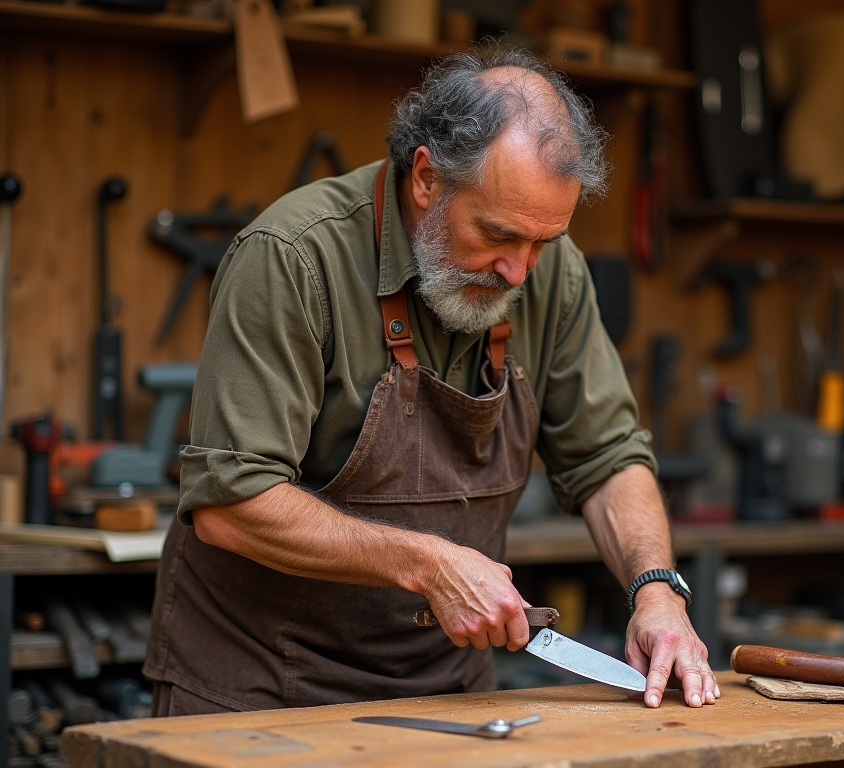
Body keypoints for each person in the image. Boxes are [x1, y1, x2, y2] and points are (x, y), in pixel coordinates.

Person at [143, 45, 719, 716]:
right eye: (499, 235)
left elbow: (607, 455)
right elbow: (229, 502)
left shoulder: (548, 269)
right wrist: (429, 564)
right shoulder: (292, 260)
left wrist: (657, 590)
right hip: (261, 687)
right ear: (426, 178)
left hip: (448, 696)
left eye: (542, 242)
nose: (519, 273)